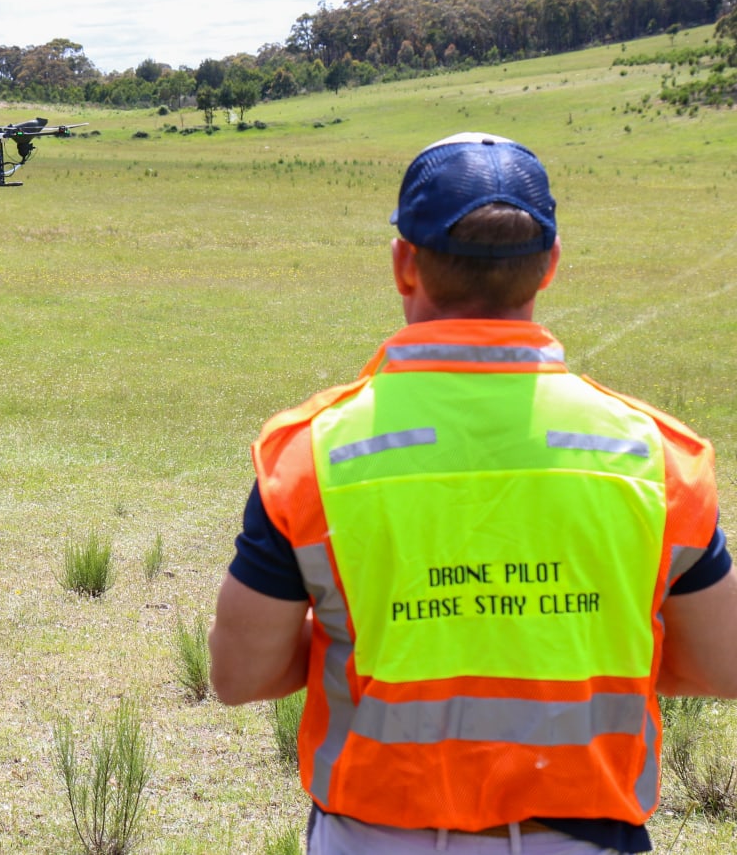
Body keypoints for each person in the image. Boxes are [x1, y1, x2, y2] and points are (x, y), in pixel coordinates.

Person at [208, 133, 737, 854]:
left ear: (404, 264)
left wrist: (376, 637)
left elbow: (240, 674)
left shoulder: (309, 454)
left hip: (374, 836)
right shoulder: (659, 457)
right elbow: (720, 662)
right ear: (550, 264)